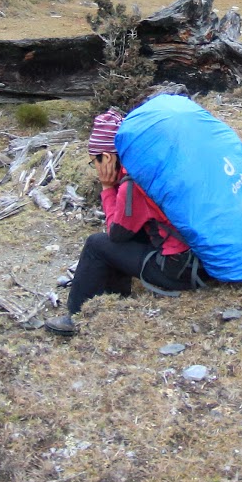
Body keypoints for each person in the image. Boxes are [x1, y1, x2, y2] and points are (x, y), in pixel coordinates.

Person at [43, 107, 208, 336]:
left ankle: (75, 316)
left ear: (108, 157)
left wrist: (108, 188)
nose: (96, 169)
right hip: (203, 257)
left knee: (96, 245)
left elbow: (116, 233)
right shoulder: (155, 164)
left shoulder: (133, 183)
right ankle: (116, 297)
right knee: (133, 232)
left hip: (180, 268)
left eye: (95, 162)